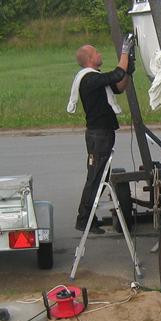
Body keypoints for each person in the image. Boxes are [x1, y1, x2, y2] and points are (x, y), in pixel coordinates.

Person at [67, 36, 135, 232]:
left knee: (99, 177)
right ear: (89, 58)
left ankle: (87, 218)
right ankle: (84, 219)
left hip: (102, 134)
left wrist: (128, 71)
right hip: (99, 135)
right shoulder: (89, 79)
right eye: (97, 52)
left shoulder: (95, 79)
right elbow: (116, 74)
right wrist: (124, 52)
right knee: (96, 177)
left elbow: (119, 86)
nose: (100, 54)